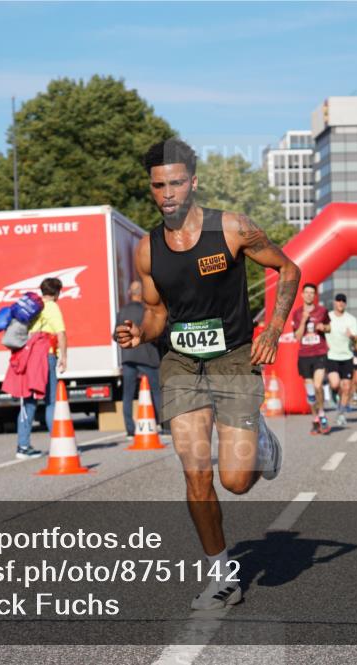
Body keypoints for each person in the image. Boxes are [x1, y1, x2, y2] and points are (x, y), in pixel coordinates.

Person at [114, 139, 300, 610]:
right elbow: (158, 315)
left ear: (193, 182)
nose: (168, 193)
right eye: (159, 185)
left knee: (236, 481)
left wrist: (274, 329)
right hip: (180, 364)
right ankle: (222, 574)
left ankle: (261, 441)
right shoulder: (148, 250)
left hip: (235, 359)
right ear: (151, 189)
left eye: (177, 182)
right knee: (196, 473)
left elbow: (290, 269)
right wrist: (140, 331)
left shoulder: (233, 228)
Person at [16, 277, 68, 458]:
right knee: (51, 400)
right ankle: (59, 444)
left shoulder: (33, 307)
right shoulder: (52, 306)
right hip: (46, 355)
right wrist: (64, 357)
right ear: (57, 292)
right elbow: (60, 333)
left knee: (29, 400)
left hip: (29, 355)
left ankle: (23, 446)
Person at [115, 280, 162, 438]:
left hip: (128, 357)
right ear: (142, 293)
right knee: (156, 391)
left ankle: (130, 429)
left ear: (130, 293)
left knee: (127, 394)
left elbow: (115, 335)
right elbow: (157, 332)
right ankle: (161, 423)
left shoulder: (123, 311)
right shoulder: (148, 310)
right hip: (148, 357)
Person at [290, 284, 332, 434]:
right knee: (310, 391)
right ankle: (315, 419)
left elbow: (329, 327)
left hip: (319, 352)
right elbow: (297, 336)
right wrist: (303, 321)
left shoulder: (322, 311)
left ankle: (322, 415)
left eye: (311, 293)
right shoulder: (297, 313)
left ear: (315, 295)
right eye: (306, 292)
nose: (308, 295)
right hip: (304, 355)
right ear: (302, 295)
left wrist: (323, 327)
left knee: (318, 385)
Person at [325, 293, 357, 427]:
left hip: (346, 356)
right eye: (338, 301)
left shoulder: (351, 319)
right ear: (334, 303)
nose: (340, 303)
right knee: (335, 384)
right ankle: (334, 395)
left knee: (346, 387)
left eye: (343, 301)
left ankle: (341, 414)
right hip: (331, 355)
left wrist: (352, 336)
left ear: (345, 304)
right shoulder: (328, 317)